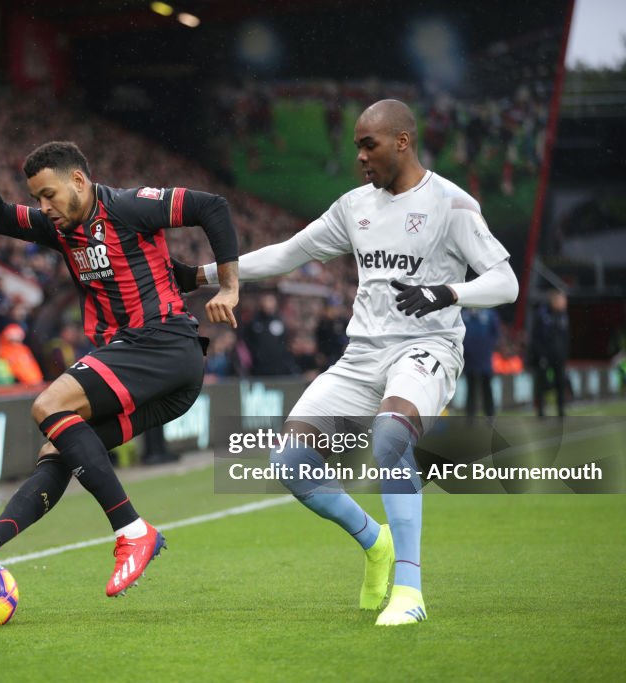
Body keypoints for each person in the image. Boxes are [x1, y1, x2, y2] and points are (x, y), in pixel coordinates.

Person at [177, 100, 517, 625]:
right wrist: (199, 276)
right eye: (357, 145)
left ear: (402, 142)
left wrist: (447, 293)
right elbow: (288, 252)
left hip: (424, 348)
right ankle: (374, 541)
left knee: (390, 437)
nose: (360, 156)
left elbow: (505, 282)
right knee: (289, 462)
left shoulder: (452, 204)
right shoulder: (354, 206)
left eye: (369, 145)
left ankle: (410, 590)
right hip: (362, 355)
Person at [0, 100, 240, 597]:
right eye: (37, 197)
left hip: (160, 343)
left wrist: (229, 286)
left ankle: (133, 531)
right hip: (164, 375)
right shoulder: (61, 227)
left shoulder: (131, 206)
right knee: (60, 448)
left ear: (79, 181)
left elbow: (211, 207)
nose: (42, 206)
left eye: (48, 194)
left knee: (49, 404)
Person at [529, 290, 570, 417]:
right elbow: (535, 337)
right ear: (554, 300)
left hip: (559, 356)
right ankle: (540, 410)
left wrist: (565, 354)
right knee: (541, 383)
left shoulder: (563, 315)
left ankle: (561, 409)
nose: (564, 303)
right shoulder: (542, 314)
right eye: (561, 300)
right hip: (544, 356)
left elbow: (566, 337)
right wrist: (540, 355)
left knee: (560, 383)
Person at [461, 307, 501, 419]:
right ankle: (470, 417)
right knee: (471, 388)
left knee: (487, 387)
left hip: (485, 357)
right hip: (469, 358)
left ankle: (490, 415)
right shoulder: (464, 315)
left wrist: (487, 347)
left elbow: (495, 333)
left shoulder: (489, 314)